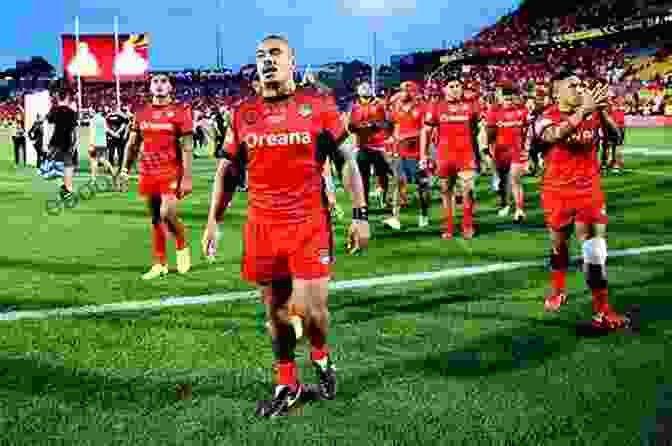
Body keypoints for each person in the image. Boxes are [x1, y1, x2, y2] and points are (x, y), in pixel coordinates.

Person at [201, 34, 370, 417]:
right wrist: (214, 219)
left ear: (292, 61)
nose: (267, 60)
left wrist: (359, 215)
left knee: (312, 312)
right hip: (263, 226)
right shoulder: (244, 113)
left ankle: (322, 357)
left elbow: (346, 161)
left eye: (275, 53)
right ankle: (287, 382)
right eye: (260, 55)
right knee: (276, 314)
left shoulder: (318, 105)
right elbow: (227, 169)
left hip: (309, 223)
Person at [535, 69, 628, 331]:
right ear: (557, 92)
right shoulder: (544, 118)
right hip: (557, 193)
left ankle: (602, 311)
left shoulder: (593, 113)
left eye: (581, 85)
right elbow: (552, 135)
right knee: (559, 248)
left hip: (589, 192)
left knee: (595, 252)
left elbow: (617, 138)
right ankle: (558, 290)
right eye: (572, 85)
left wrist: (603, 112)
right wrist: (584, 112)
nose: (579, 89)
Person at [118, 73, 193, 280]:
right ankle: (159, 263)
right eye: (155, 82)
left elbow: (187, 147)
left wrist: (187, 178)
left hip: (171, 171)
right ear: (150, 87)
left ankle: (181, 243)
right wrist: (124, 170)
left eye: (163, 82)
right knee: (155, 218)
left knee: (167, 213)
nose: (159, 85)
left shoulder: (181, 113)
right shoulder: (141, 113)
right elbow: (132, 144)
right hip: (148, 172)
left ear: (170, 87)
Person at [420, 74, 482, 240]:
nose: (455, 89)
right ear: (444, 89)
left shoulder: (471, 107)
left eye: (458, 86)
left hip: (466, 155)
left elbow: (476, 129)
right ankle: (448, 226)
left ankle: (467, 225)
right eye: (451, 86)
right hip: (444, 156)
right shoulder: (436, 107)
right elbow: (425, 132)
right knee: (446, 191)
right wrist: (423, 155)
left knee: (468, 190)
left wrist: (477, 151)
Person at [386, 81, 430, 229]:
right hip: (400, 152)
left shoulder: (422, 108)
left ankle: (423, 215)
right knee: (398, 184)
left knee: (422, 185)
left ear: (414, 92)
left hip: (417, 152)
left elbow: (426, 131)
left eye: (407, 90)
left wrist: (425, 155)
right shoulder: (396, 107)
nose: (404, 93)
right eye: (402, 90)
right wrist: (393, 143)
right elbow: (393, 126)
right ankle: (395, 217)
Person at [485, 83, 529, 222]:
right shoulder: (494, 113)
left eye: (511, 99)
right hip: (500, 151)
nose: (509, 102)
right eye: (506, 99)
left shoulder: (522, 112)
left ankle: (519, 209)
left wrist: (526, 147)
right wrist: (490, 149)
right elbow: (490, 134)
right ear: (501, 99)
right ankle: (505, 203)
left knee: (515, 179)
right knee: (503, 181)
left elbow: (529, 131)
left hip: (517, 150)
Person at [348, 81, 392, 209]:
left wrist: (375, 127)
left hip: (378, 145)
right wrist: (356, 128)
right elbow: (351, 126)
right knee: (363, 176)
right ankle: (364, 203)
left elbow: (387, 123)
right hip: (362, 146)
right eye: (363, 97)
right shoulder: (355, 107)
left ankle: (384, 198)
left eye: (367, 97)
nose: (365, 99)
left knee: (382, 174)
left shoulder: (380, 105)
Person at [46, 90, 79, 199]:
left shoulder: (54, 110)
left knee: (50, 168)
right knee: (68, 167)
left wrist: (52, 104)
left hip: (55, 142)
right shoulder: (73, 112)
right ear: (67, 98)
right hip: (68, 143)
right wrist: (74, 144)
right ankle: (69, 189)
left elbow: (49, 123)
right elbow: (74, 131)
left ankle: (62, 186)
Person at [88, 107, 114, 179]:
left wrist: (91, 144)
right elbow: (106, 130)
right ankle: (113, 172)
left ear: (94, 111)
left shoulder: (92, 120)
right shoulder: (103, 119)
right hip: (103, 143)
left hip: (95, 143)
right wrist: (114, 134)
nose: (89, 113)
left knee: (93, 160)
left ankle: (93, 178)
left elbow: (92, 132)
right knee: (102, 159)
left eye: (90, 111)